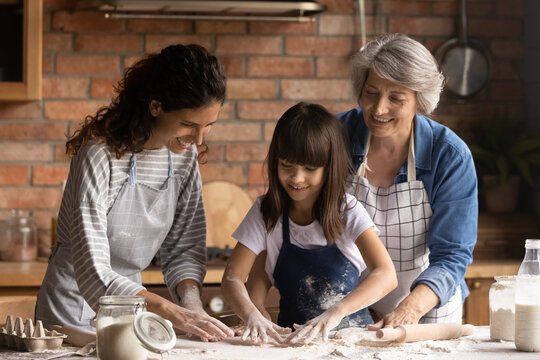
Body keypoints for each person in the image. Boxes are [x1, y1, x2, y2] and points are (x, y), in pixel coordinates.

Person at [35, 44, 234, 342]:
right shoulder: (100, 157)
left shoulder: (184, 158)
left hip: (131, 315)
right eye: (188, 125)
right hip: (71, 313)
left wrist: (192, 307)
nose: (198, 139)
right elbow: (93, 271)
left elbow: (183, 248)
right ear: (156, 107)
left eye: (208, 126)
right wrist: (174, 312)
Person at [221, 102, 397, 345]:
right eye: (287, 166)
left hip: (352, 342)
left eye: (310, 168)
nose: (297, 178)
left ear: (329, 168)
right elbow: (232, 278)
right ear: (275, 162)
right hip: (293, 345)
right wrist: (251, 313)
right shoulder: (266, 212)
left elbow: (386, 274)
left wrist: (334, 313)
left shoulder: (348, 210)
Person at [338, 33, 478, 329]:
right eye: (371, 93)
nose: (379, 109)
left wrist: (410, 309)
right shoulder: (336, 136)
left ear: (419, 101)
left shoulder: (449, 155)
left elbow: (452, 254)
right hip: (349, 301)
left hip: (425, 304)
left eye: (396, 99)